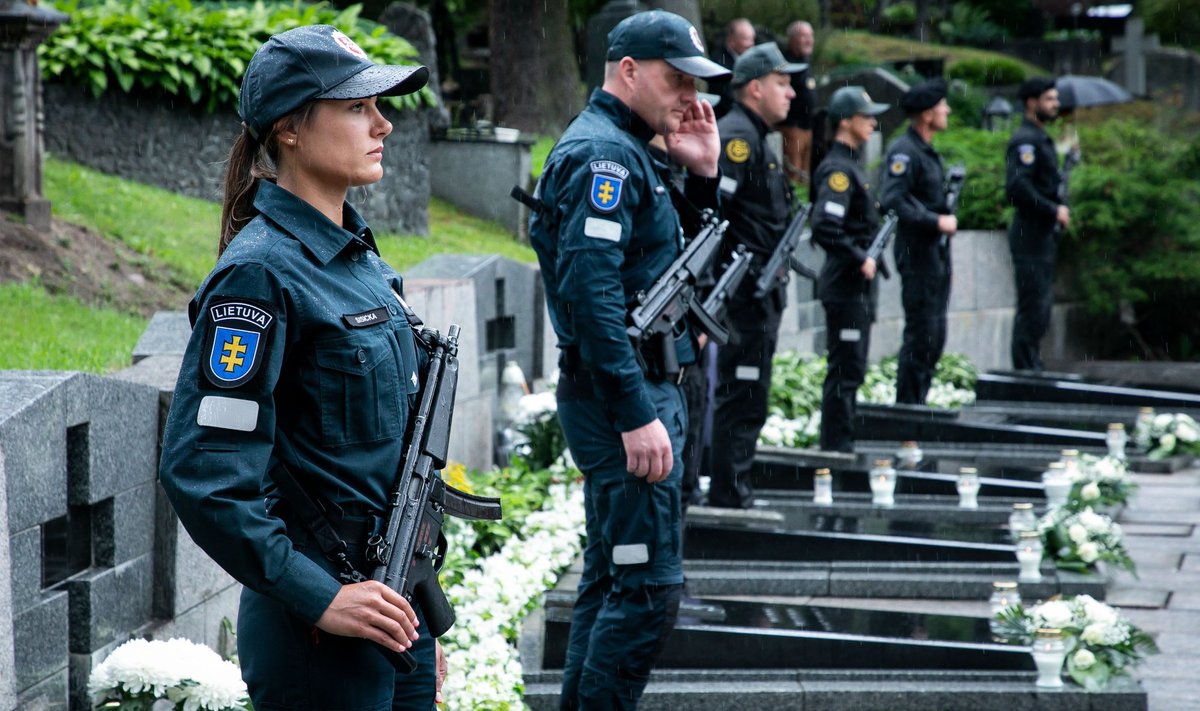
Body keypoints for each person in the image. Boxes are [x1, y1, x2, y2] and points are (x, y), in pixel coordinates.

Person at [158, 25, 447, 710]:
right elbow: (205, 471)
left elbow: (394, 462)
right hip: (317, 634)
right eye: (356, 107)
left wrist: (422, 616)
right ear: (290, 127)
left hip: (392, 607)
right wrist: (323, 597)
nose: (383, 124)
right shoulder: (259, 275)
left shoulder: (359, 259)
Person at [526, 10, 727, 708]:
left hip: (635, 390)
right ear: (629, 71)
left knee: (613, 580)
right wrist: (635, 411)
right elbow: (592, 295)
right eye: (676, 78)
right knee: (645, 595)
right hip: (625, 398)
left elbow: (666, 268)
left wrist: (702, 177)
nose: (689, 97)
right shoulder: (603, 157)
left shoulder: (631, 148)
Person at [706, 43, 806, 509]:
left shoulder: (755, 137)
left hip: (757, 295)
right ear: (755, 87)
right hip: (743, 297)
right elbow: (714, 215)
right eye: (782, 82)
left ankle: (736, 486)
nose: (791, 92)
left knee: (750, 393)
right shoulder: (738, 138)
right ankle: (729, 491)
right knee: (741, 393)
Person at [812, 86, 889, 453]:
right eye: (867, 115)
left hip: (854, 288)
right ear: (846, 121)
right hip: (846, 287)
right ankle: (836, 450)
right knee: (844, 372)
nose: (873, 122)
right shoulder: (838, 169)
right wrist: (860, 257)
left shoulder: (852, 165)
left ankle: (842, 443)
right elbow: (825, 227)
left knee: (852, 370)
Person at [880, 78, 958, 405]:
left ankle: (919, 405)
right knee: (921, 333)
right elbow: (893, 199)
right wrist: (935, 220)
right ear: (927, 114)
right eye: (942, 105)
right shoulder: (904, 151)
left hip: (936, 255)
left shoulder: (925, 150)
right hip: (918, 256)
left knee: (935, 335)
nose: (948, 110)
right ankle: (908, 409)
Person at [1006, 76, 1069, 372]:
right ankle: (1025, 370)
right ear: (1032, 102)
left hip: (1042, 236)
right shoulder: (1025, 141)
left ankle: (1032, 365)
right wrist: (1052, 210)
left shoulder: (1040, 138)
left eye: (1056, 99)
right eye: (1049, 99)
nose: (1055, 104)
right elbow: (1018, 188)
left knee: (1040, 308)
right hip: (1030, 235)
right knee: (1032, 308)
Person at [779, 20, 818, 185]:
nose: (809, 40)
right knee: (792, 177)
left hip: (808, 128)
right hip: (791, 128)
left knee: (805, 178)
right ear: (792, 39)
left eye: (810, 36)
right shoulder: (785, 63)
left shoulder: (806, 61)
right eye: (803, 36)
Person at [708, 17, 755, 118]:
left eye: (752, 39)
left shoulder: (749, 59)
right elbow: (728, 96)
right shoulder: (719, 62)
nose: (751, 44)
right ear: (731, 40)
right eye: (746, 39)